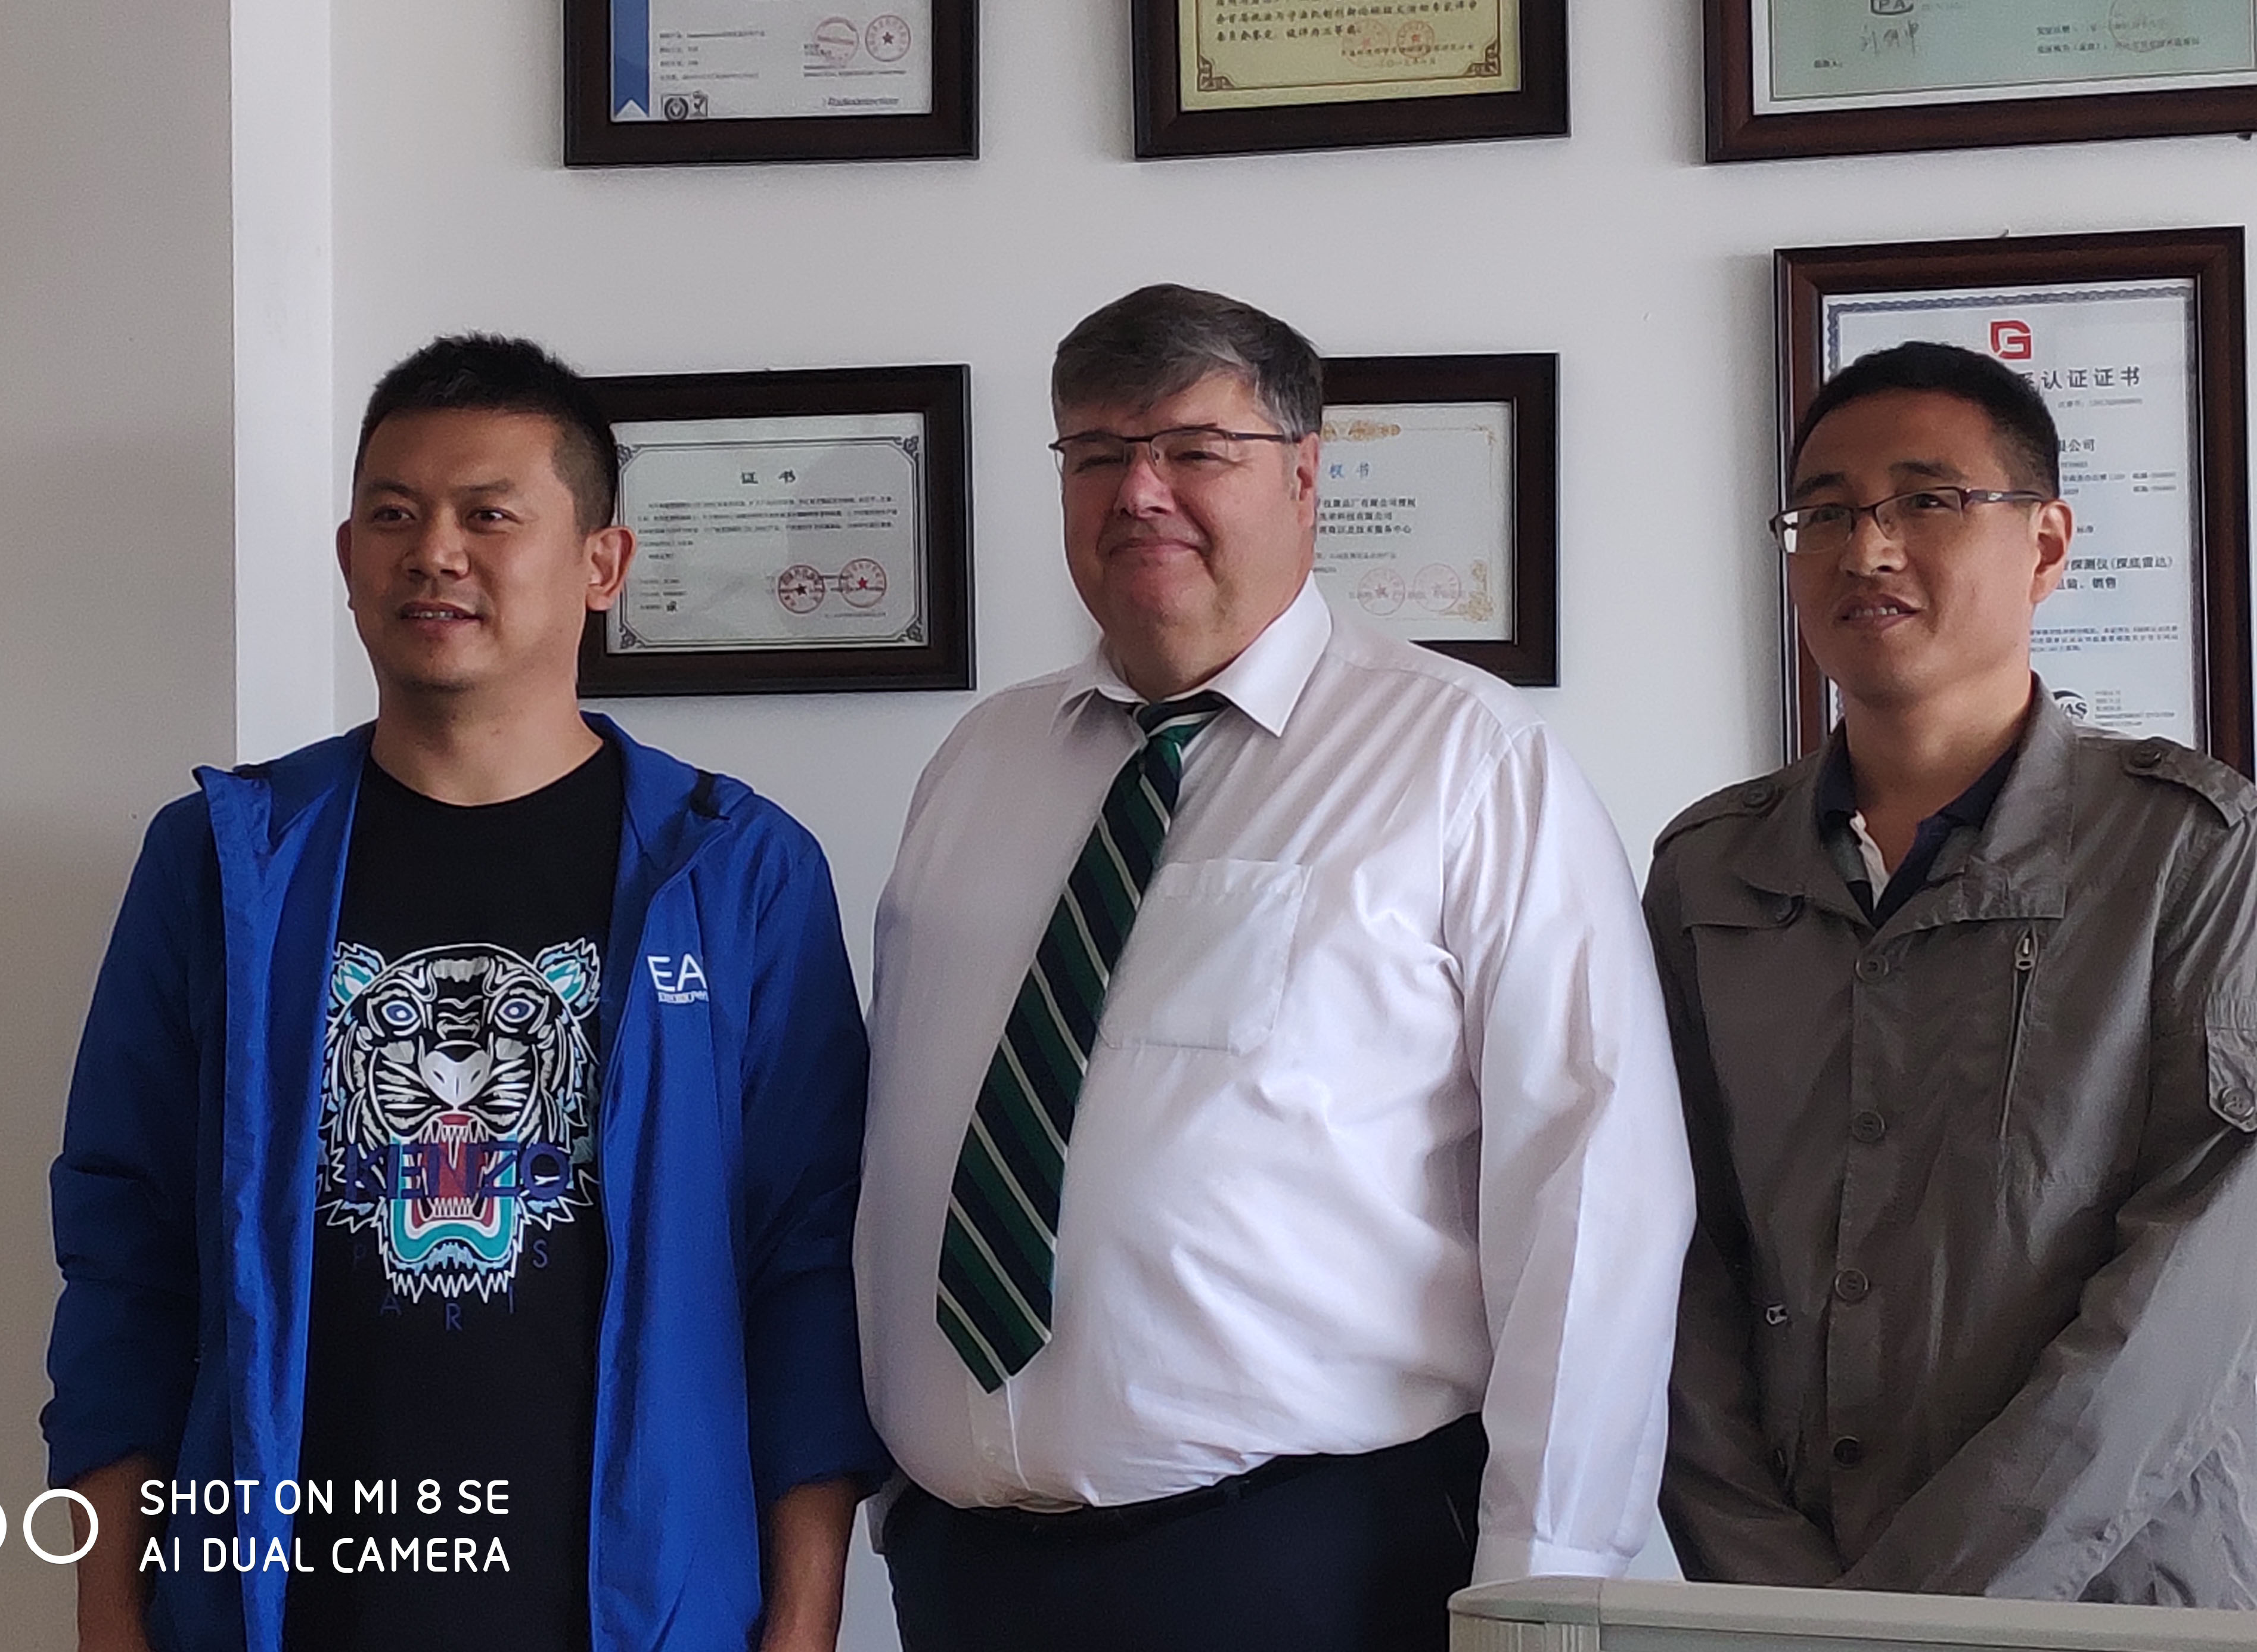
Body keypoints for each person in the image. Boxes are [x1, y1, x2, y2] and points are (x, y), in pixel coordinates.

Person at [855, 283, 1693, 1652]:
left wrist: (1540, 1592)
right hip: (967, 1575)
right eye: (1096, 453)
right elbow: (908, 1142)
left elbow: (1594, 1197)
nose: (1140, 492)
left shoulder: (1468, 763)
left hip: (1305, 1569)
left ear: (1308, 475)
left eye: (1194, 449)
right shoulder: (979, 764)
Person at [43, 334, 886, 1651]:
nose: (434, 552)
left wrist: (803, 1620)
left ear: (602, 563)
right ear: (348, 557)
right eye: (394, 515)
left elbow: (808, 1267)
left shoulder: (738, 871)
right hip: (280, 1603)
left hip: (639, 1611)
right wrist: (109, 1614)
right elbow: (122, 1253)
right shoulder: (223, 863)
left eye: (489, 515)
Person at [1650, 340, 2257, 1604]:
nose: (1866, 549)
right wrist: (1772, 1586)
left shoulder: (2192, 852)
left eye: (1927, 500)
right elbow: (1664, 1250)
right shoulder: (1711, 871)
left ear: (2047, 543)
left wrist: (1927, 1612)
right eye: (1823, 513)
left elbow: (2198, 1281)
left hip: (2115, 1592)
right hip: (1786, 1593)